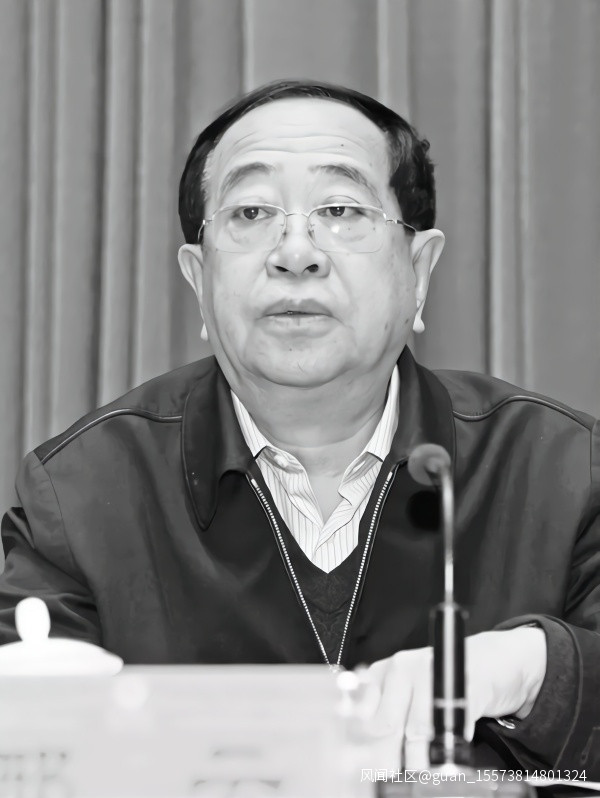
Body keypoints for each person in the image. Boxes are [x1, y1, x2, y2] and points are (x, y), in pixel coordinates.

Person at [0, 80, 598, 775]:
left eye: (340, 210)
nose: (295, 252)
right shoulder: (82, 494)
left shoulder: (562, 470)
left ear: (419, 270)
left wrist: (536, 666)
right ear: (198, 279)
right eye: (251, 212)